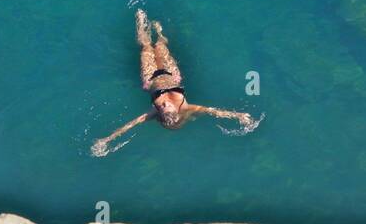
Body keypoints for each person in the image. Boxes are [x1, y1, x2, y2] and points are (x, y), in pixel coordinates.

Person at [91, 8, 256, 156]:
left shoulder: (153, 113)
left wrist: (106, 139)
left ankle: (140, 19)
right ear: (176, 110)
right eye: (165, 107)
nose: (162, 106)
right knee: (161, 45)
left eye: (161, 109)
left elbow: (131, 125)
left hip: (150, 78)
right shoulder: (186, 106)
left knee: (146, 47)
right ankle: (159, 30)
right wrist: (238, 115)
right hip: (172, 75)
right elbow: (214, 111)